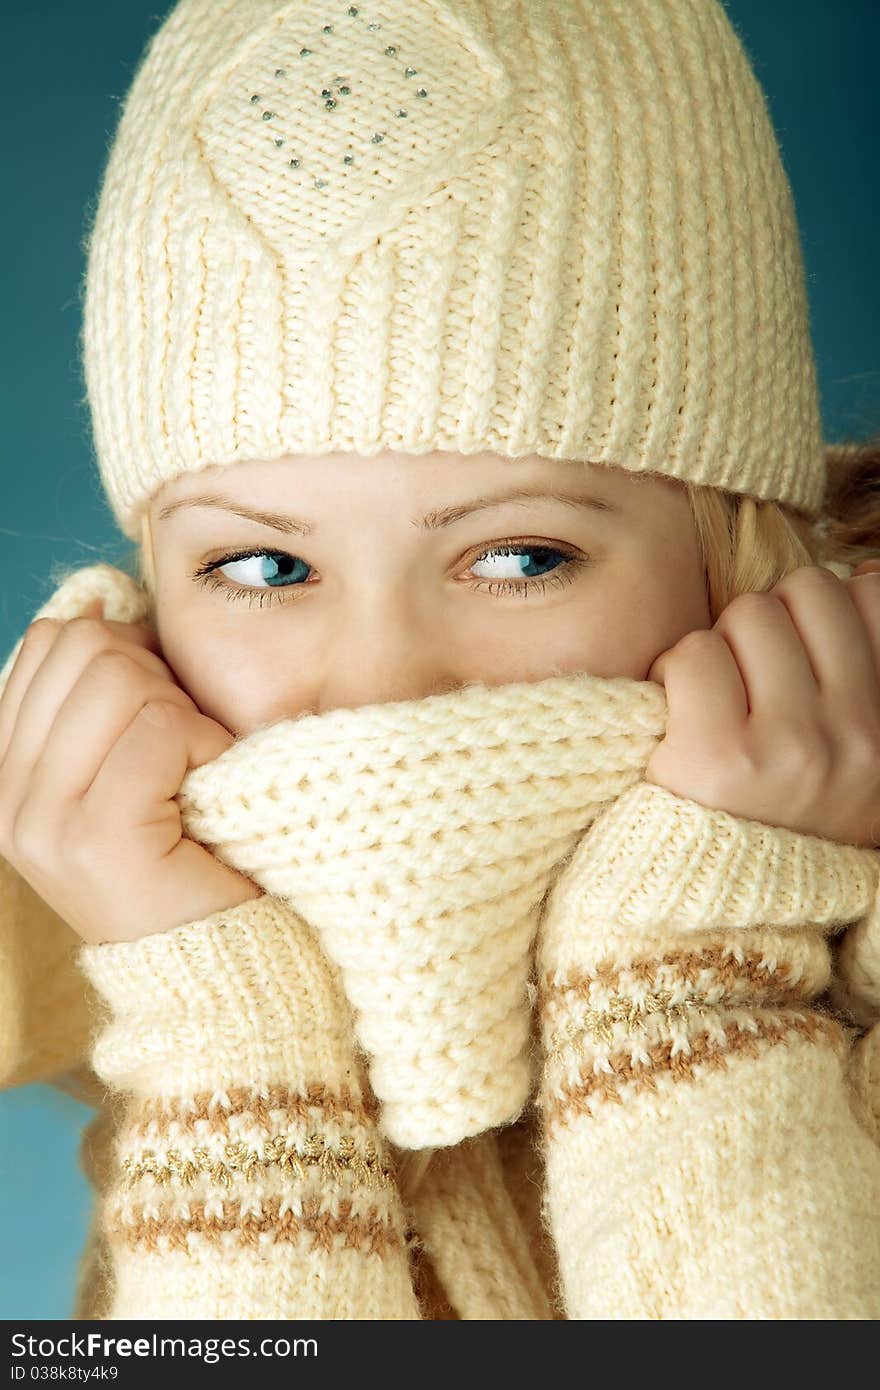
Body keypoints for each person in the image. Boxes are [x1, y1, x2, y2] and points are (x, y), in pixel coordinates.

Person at [1, 0, 880, 1320]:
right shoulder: (168, 993)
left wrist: (689, 980)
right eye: (263, 567)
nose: (378, 685)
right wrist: (233, 1054)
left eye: (522, 557)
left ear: (740, 564)